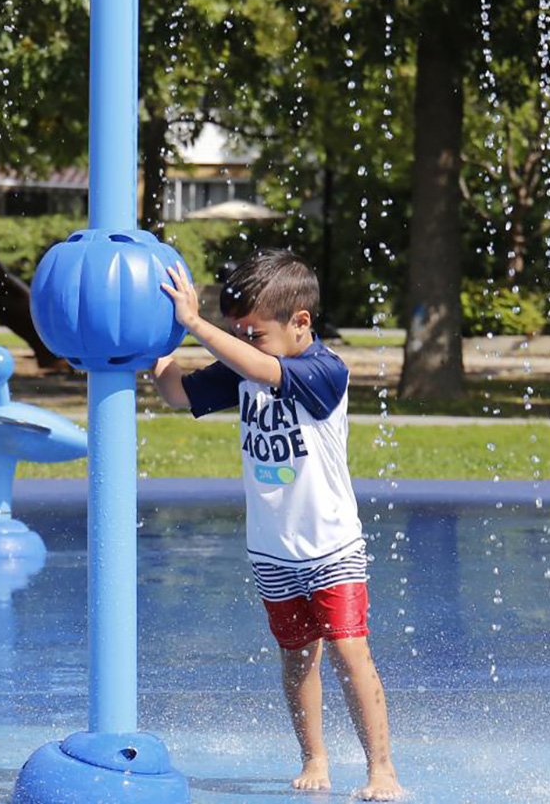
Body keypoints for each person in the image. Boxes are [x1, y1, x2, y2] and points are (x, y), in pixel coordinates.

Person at [153, 249, 402, 801]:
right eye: (238, 334)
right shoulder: (245, 367)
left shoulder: (324, 371)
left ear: (300, 322)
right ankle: (314, 756)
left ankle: (381, 768)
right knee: (297, 658)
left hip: (331, 544)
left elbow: (268, 370)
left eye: (254, 333)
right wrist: (149, 343)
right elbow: (176, 392)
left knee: (348, 650)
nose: (245, 343)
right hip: (271, 551)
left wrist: (197, 324)